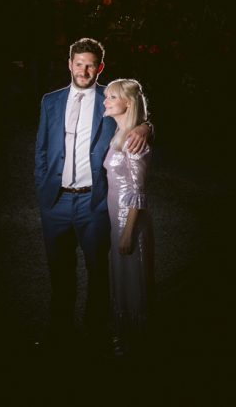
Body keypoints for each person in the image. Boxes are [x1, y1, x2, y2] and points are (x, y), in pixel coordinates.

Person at [34, 38, 152, 352]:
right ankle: (59, 330)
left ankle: (95, 332)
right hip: (55, 201)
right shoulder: (50, 101)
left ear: (100, 68)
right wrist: (43, 189)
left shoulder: (108, 99)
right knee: (59, 270)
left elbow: (135, 112)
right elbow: (42, 149)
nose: (84, 71)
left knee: (98, 269)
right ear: (69, 64)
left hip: (93, 201)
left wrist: (146, 127)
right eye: (79, 64)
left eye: (90, 65)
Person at [102, 78, 154, 356]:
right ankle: (122, 333)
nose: (106, 101)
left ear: (129, 103)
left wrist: (128, 231)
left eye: (112, 97)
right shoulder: (119, 133)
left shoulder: (135, 140)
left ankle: (136, 340)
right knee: (120, 274)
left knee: (133, 276)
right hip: (115, 215)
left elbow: (139, 192)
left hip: (128, 220)